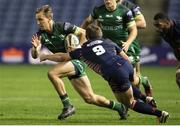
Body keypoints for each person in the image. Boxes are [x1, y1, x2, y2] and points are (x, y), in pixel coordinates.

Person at [40, 24, 169, 124]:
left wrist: (46, 56)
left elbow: (63, 57)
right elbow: (126, 58)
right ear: (100, 34)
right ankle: (146, 97)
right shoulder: (108, 42)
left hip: (113, 72)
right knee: (128, 83)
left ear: (88, 37)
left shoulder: (83, 50)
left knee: (129, 103)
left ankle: (159, 113)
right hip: (126, 66)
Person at [31, 4, 129, 120]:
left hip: (77, 60)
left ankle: (68, 106)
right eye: (37, 20)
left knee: (53, 73)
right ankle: (120, 107)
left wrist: (80, 49)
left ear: (49, 18)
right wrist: (35, 48)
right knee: (90, 98)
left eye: (40, 19)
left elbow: (83, 32)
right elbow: (35, 55)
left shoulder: (63, 27)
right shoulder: (40, 35)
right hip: (68, 64)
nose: (38, 22)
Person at [117, 0, 153, 96]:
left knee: (133, 76)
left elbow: (142, 23)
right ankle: (138, 98)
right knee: (122, 76)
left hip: (130, 44)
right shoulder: (107, 7)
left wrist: (123, 24)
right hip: (113, 44)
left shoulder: (130, 6)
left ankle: (143, 83)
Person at [153, 12, 180, 88]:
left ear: (167, 22)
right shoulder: (164, 33)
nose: (157, 28)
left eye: (159, 25)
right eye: (155, 25)